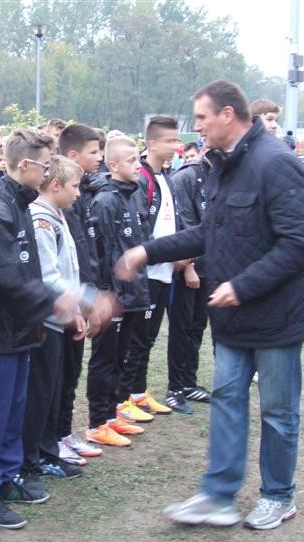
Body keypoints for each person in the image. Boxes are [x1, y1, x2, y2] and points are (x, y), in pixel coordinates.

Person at [116, 80, 304, 530]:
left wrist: (242, 286)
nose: (197, 127)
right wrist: (147, 251)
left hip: (278, 317)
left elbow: (300, 243)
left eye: (202, 118)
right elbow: (209, 232)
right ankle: (218, 495)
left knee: (277, 411)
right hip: (233, 317)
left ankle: (278, 495)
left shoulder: (276, 162)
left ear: (228, 115)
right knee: (228, 399)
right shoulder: (220, 165)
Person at [0, 129, 89, 528]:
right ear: (24, 164)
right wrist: (54, 303)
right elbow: (3, 276)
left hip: (22, 328)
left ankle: (6, 477)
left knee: (13, 410)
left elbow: (29, 269)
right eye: (45, 165)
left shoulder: (19, 202)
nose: (48, 172)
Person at [23, 156, 89, 485]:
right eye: (74, 186)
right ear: (55, 185)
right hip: (45, 322)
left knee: (52, 390)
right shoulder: (41, 221)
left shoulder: (57, 215)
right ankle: (34, 457)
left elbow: (68, 269)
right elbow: (49, 277)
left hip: (59, 318)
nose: (79, 193)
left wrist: (74, 310)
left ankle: (48, 451)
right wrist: (89, 300)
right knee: (41, 393)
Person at [85, 135, 151, 447]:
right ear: (112, 165)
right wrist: (103, 293)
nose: (138, 166)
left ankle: (112, 414)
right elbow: (100, 253)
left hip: (133, 291)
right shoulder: (105, 200)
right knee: (105, 358)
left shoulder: (135, 194)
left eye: (138, 159)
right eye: (131, 161)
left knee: (121, 357)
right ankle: (97, 421)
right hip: (113, 296)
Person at [124, 116, 180, 417]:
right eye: (170, 141)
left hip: (165, 273)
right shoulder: (142, 179)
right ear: (152, 143)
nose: (176, 146)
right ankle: (124, 399)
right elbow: (140, 227)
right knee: (137, 338)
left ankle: (139, 391)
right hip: (148, 273)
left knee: (148, 337)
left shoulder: (164, 177)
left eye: (177, 140)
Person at [55, 124, 106, 460]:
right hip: (63, 304)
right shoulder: (60, 201)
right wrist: (80, 302)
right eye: (93, 151)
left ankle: (64, 432)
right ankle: (53, 438)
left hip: (80, 296)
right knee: (58, 376)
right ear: (72, 155)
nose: (100, 157)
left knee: (72, 371)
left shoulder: (83, 193)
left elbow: (84, 254)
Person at [166, 140, 212, 410]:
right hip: (187, 266)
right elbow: (183, 225)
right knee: (181, 328)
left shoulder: (221, 177)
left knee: (197, 326)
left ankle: (188, 382)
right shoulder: (186, 177)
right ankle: (174, 388)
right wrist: (189, 265)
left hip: (210, 266)